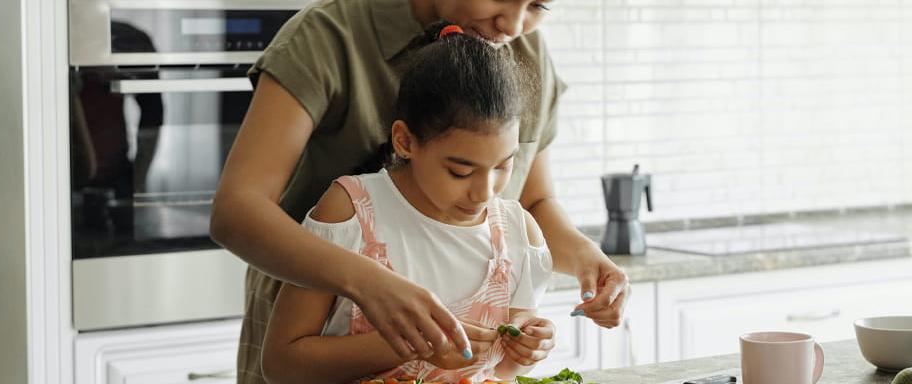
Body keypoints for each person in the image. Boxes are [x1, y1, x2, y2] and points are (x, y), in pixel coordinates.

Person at [209, 0, 631, 382]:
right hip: (313, 321)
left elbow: (533, 202)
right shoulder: (330, 36)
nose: (514, 23)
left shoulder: (525, 52)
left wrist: (587, 261)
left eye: (538, 5)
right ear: (404, 141)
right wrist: (370, 283)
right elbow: (237, 211)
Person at [261, 24, 554, 383]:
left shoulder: (517, 233)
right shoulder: (351, 212)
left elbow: (505, 371)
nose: (485, 192)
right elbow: (281, 364)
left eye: (502, 166)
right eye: (461, 171)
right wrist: (412, 344)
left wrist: (528, 350)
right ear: (404, 141)